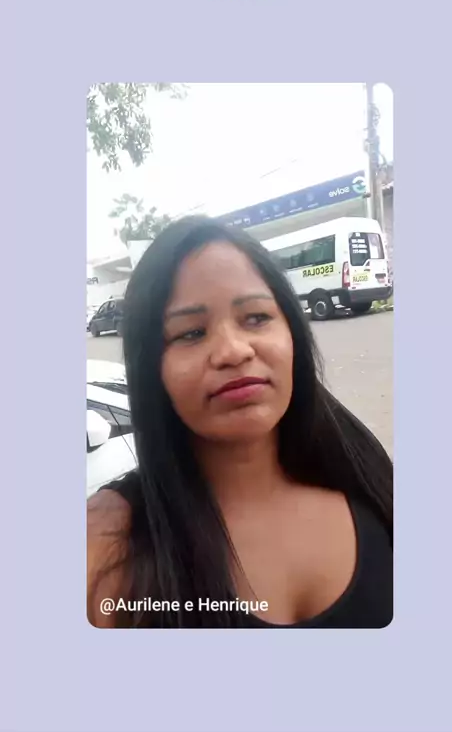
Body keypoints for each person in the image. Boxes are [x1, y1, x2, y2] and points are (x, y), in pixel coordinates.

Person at [87, 215, 393, 628]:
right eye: (191, 333)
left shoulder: (368, 475)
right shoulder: (106, 541)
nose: (233, 350)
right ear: (150, 367)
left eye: (256, 318)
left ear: (293, 332)